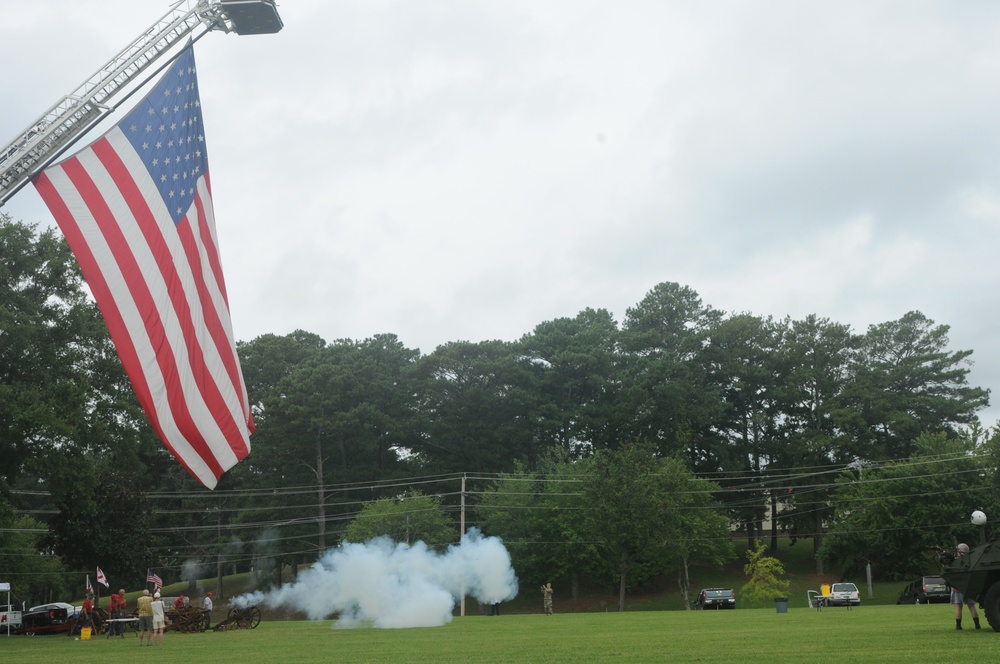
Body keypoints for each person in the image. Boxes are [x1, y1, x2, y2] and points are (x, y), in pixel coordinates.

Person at [951, 543, 981, 630]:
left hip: (958, 587)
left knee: (958, 606)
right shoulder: (972, 560)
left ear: (960, 552)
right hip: (969, 587)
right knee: (971, 606)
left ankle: (958, 626)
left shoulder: (956, 562)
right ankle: (977, 625)